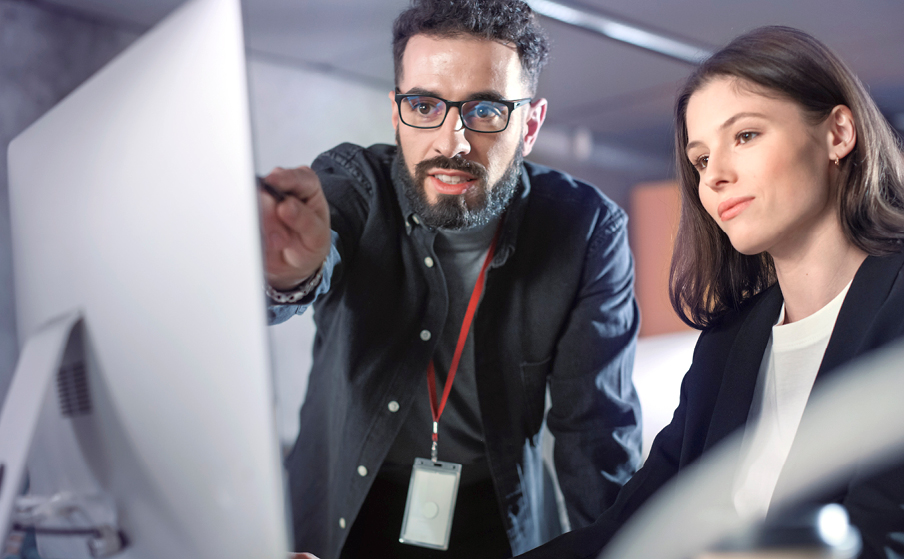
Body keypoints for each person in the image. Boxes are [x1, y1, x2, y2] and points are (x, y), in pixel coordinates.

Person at [260, 0, 642, 557]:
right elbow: (305, 272)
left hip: (495, 515)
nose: (452, 143)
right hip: (346, 508)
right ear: (397, 114)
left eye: (485, 111)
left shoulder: (586, 231)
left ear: (530, 126)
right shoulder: (352, 184)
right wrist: (291, 273)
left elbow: (596, 436)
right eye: (424, 106)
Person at [516, 25, 904, 559]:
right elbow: (630, 528)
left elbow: (884, 535)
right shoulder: (726, 346)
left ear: (838, 133)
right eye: (700, 159)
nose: (714, 176)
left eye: (745, 136)